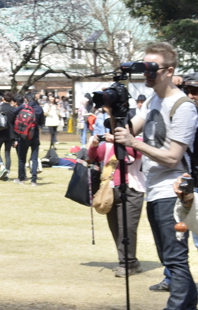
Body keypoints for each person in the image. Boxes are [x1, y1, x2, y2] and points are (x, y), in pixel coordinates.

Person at [112, 42, 198, 310]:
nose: (146, 74)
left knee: (174, 257)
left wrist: (132, 142)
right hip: (154, 188)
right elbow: (129, 129)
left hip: (174, 190)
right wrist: (111, 108)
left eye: (152, 68)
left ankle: (178, 306)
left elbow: (173, 156)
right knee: (167, 256)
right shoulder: (152, 101)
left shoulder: (183, 107)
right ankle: (189, 301)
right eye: (143, 68)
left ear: (169, 71)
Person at [88, 128, 145, 277]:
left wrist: (118, 141)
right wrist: (94, 145)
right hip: (110, 190)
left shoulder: (139, 142)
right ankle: (129, 260)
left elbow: (137, 154)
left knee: (127, 228)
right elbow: (94, 157)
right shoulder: (108, 145)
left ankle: (127, 263)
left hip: (132, 189)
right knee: (116, 228)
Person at [14, 92, 44, 186]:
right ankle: (34, 180)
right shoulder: (39, 109)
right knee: (34, 158)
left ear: (26, 99)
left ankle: (21, 179)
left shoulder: (22, 107)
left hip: (23, 135)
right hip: (34, 135)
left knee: (22, 158)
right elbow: (42, 123)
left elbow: (13, 114)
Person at [0, 92, 18, 181]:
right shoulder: (13, 110)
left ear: (3, 99)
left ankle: (2, 167)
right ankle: (7, 173)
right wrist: (15, 138)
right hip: (9, 134)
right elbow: (14, 124)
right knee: (7, 154)